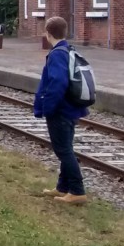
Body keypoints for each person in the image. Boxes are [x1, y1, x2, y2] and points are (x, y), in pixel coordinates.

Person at [34, 16, 89, 205]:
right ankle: (63, 187)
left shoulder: (57, 53)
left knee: (63, 150)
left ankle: (77, 190)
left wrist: (47, 107)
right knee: (66, 148)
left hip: (61, 110)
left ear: (48, 34)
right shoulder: (68, 49)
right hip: (71, 108)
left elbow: (57, 82)